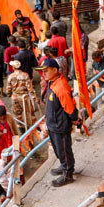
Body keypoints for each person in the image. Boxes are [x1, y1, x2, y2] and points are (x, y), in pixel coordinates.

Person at [40, 58, 79, 187]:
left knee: (63, 149)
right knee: (58, 149)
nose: (44, 73)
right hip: (53, 124)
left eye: (46, 71)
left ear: (55, 70)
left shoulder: (60, 86)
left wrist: (74, 118)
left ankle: (68, 173)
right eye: (43, 71)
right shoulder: (52, 82)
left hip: (60, 125)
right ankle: (64, 166)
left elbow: (68, 106)